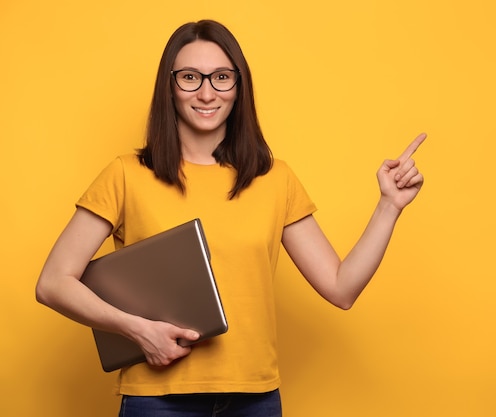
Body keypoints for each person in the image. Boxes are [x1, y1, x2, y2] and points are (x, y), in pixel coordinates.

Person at [35, 19, 426, 417]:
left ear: (239, 86)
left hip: (255, 400)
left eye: (222, 77)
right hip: (157, 402)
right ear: (169, 86)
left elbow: (341, 289)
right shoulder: (126, 174)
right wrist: (137, 330)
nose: (207, 92)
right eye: (190, 77)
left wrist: (389, 206)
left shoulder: (275, 178)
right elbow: (53, 283)